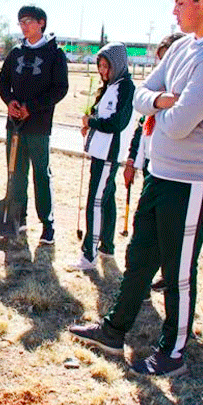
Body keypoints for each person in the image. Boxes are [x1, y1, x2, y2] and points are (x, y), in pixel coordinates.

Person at [69, 0, 203, 377]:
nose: (175, 13)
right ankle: (114, 330)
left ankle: (173, 352)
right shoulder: (185, 47)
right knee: (140, 257)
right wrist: (165, 101)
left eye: (181, 3)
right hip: (160, 174)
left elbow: (182, 125)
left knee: (178, 271)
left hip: (193, 182)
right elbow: (142, 97)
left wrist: (163, 108)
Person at [0, 5, 69, 244]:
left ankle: (47, 224)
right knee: (16, 173)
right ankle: (18, 218)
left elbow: (60, 88)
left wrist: (32, 107)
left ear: (41, 22)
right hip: (15, 124)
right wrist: (10, 101)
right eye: (21, 22)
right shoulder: (16, 52)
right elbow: (2, 81)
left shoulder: (54, 53)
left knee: (41, 174)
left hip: (38, 125)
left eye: (29, 21)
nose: (25, 26)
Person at [123, 32, 185, 293]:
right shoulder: (155, 95)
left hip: (174, 169)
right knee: (146, 226)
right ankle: (143, 277)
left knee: (170, 230)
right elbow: (142, 127)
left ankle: (170, 275)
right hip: (151, 164)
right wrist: (131, 162)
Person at [70, 42, 137, 271]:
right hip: (98, 153)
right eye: (100, 66)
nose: (102, 71)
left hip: (109, 154)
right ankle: (106, 247)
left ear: (117, 65)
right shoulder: (110, 86)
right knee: (106, 200)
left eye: (106, 66)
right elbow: (102, 115)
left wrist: (92, 122)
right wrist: (90, 123)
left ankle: (88, 255)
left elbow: (117, 123)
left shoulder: (126, 87)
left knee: (95, 202)